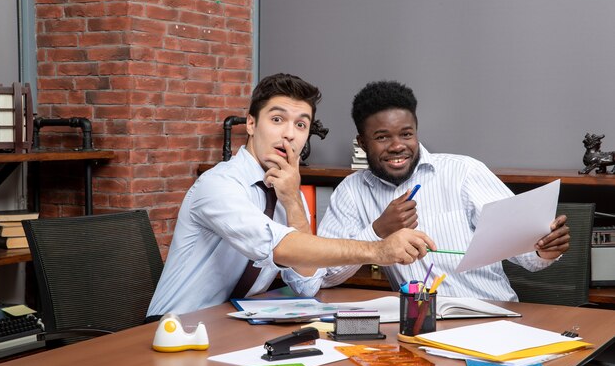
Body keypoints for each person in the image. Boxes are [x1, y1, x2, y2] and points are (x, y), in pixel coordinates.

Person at [147, 74, 436, 318]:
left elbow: (305, 286)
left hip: (230, 323)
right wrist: (378, 250)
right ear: (250, 124)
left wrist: (293, 201)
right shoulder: (219, 185)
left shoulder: (286, 188)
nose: (289, 134)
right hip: (178, 326)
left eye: (300, 125)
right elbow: (279, 246)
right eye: (277, 119)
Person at [318, 80, 570, 301]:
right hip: (418, 326)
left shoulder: (464, 172)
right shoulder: (351, 192)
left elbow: (526, 255)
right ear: (362, 143)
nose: (397, 146)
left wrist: (544, 250)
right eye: (382, 137)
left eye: (406, 134)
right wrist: (377, 232)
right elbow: (325, 275)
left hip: (489, 317)